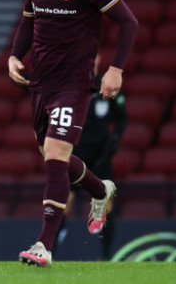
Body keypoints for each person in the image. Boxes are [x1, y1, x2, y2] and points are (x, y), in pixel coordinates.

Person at [8, 0, 138, 267]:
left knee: (54, 156)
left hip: (73, 84)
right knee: (54, 158)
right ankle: (100, 188)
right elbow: (27, 22)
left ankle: (43, 246)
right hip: (41, 83)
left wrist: (115, 69)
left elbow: (128, 21)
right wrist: (14, 57)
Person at [55, 53, 127, 260]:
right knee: (62, 202)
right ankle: (49, 251)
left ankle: (105, 256)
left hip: (100, 156)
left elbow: (122, 118)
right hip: (75, 153)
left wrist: (113, 142)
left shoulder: (107, 83)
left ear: (98, 59)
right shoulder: (70, 86)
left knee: (106, 202)